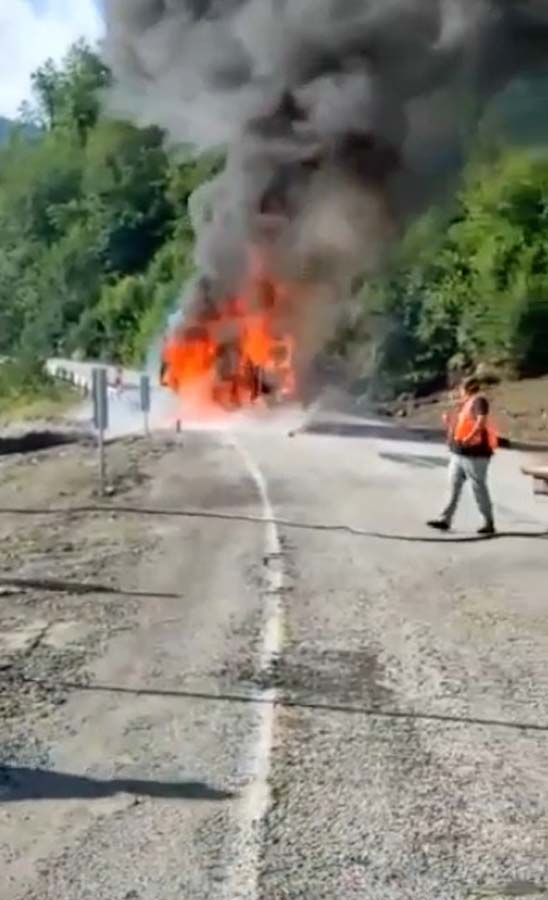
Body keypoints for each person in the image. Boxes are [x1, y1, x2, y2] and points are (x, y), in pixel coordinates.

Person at [427, 376, 498, 535]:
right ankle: (444, 519)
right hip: (459, 453)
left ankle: (488, 522)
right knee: (453, 485)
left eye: (461, 388)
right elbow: (461, 427)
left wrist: (470, 437)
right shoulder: (466, 404)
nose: (459, 391)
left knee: (478, 488)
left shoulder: (479, 401)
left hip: (476, 454)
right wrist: (448, 424)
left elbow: (481, 422)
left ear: (468, 388)